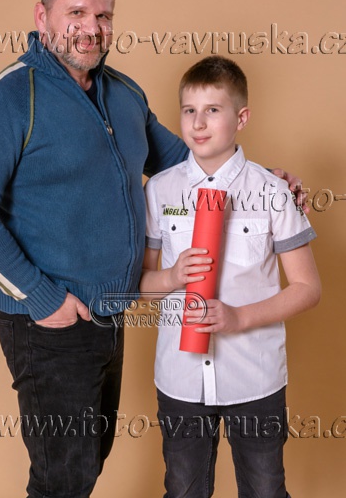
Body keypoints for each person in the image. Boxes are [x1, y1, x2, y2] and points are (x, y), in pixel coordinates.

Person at [0, 0, 308, 498]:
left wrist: (266, 182)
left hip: (110, 314)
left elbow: (188, 164)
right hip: (49, 320)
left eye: (104, 15)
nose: (91, 28)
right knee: (62, 478)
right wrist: (43, 297)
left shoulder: (124, 94)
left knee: (88, 462)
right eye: (76, 12)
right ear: (42, 16)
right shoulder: (10, 96)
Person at [140, 55, 321, 498]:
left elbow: (307, 288)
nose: (198, 122)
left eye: (213, 110)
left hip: (254, 376)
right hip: (181, 377)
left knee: (265, 490)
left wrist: (239, 318)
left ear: (241, 118)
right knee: (183, 490)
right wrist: (172, 277)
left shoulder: (272, 191)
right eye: (189, 110)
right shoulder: (160, 190)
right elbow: (142, 285)